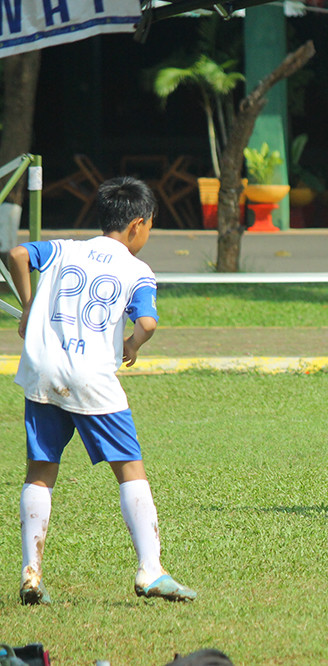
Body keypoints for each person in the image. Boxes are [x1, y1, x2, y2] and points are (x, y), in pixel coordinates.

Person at [9, 176, 196, 605]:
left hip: (43, 368)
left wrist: (29, 305)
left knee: (40, 471)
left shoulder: (65, 248)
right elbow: (147, 322)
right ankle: (151, 569)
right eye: (150, 226)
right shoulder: (136, 270)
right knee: (130, 467)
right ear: (137, 225)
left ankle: (31, 572)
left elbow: (19, 253)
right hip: (91, 376)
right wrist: (132, 344)